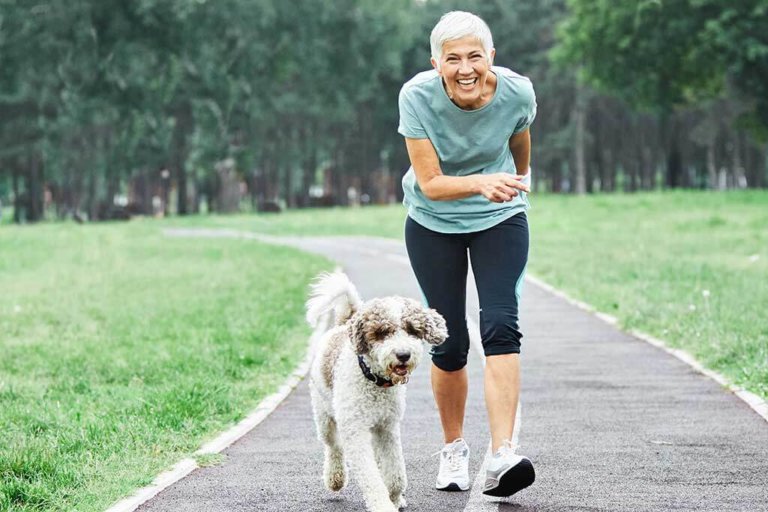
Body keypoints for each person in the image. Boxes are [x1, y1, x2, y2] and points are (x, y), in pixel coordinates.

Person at [398, 11, 537, 497]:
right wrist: (482, 182)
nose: (465, 68)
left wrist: (517, 182)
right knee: (449, 341)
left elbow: (519, 138)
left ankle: (502, 455)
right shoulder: (416, 97)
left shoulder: (517, 91)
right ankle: (453, 448)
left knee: (501, 324)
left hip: (500, 217)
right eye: (452, 59)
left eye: (474, 56)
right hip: (432, 223)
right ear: (435, 63)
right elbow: (431, 184)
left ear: (490, 56)